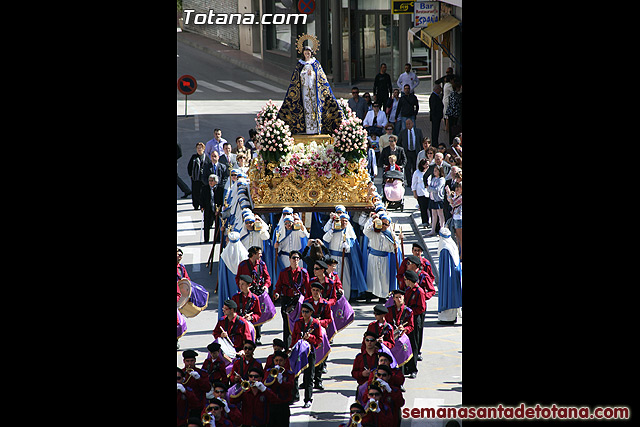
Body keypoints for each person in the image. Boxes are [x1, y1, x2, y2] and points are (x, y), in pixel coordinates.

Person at [278, 43, 344, 135]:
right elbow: (296, 79)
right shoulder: (300, 64)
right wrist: (305, 74)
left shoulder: (316, 64)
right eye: (305, 53)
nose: (307, 55)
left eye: (308, 53)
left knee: (314, 107)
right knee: (306, 108)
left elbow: (321, 78)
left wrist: (312, 74)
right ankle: (307, 128)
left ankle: (316, 127)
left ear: (311, 53)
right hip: (304, 90)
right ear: (303, 54)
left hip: (314, 90)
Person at [322, 212, 367, 301]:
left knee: (345, 279)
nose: (344, 223)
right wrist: (332, 230)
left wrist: (347, 247)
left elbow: (353, 248)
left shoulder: (349, 233)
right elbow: (325, 239)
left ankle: (344, 298)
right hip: (333, 258)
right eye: (342, 221)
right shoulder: (334, 230)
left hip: (344, 259)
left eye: (345, 221)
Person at [290, 302, 323, 408]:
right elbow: (294, 336)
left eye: (306, 312)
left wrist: (310, 338)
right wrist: (291, 348)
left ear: (311, 312)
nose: (304, 314)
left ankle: (308, 399)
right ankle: (295, 395)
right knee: (295, 373)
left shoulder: (316, 324)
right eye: (303, 311)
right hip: (298, 351)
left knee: (309, 376)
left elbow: (319, 340)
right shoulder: (298, 322)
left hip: (310, 352)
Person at [274, 250, 309, 347]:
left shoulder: (303, 273)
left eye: (298, 258)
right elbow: (278, 286)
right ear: (289, 259)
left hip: (298, 302)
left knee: (299, 324)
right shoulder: (284, 272)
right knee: (287, 324)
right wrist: (276, 293)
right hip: (286, 300)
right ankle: (287, 347)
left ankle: (299, 345)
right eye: (294, 258)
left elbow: (307, 288)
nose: (296, 260)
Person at [363, 212, 400, 300]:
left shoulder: (391, 235)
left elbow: (393, 248)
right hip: (373, 257)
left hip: (384, 258)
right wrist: (373, 221)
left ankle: (383, 295)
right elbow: (366, 231)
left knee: (383, 276)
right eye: (382, 223)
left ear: (389, 225)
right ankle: (370, 294)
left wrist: (395, 247)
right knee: (372, 275)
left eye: (386, 224)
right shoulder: (373, 232)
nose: (383, 226)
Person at [386, 289, 417, 377]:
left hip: (405, 335)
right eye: (396, 297)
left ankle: (412, 370)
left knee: (409, 351)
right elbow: (387, 323)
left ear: (403, 298)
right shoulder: (389, 310)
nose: (399, 299)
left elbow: (411, 326)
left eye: (400, 297)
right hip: (393, 335)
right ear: (394, 299)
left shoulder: (408, 311)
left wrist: (404, 329)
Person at [403, 270, 426, 378]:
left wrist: (410, 310)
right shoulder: (408, 290)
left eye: (406, 280)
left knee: (414, 344)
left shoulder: (419, 292)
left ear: (409, 280)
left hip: (415, 319)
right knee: (407, 344)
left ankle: (414, 369)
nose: (405, 282)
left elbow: (421, 308)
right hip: (407, 318)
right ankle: (407, 366)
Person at [437, 228, 462, 324]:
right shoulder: (452, 245)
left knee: (447, 295)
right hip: (453, 276)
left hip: (447, 278)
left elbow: (446, 267)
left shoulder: (444, 248)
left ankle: (446, 319)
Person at [263, 350, 295, 426]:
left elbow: (291, 386)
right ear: (273, 361)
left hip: (283, 404)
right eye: (276, 360)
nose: (278, 363)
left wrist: (281, 382)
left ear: (284, 362)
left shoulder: (289, 374)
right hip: (271, 404)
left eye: (281, 361)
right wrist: (271, 376)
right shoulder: (269, 372)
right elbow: (265, 383)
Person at [181, 349, 211, 417]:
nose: (189, 363)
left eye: (192, 361)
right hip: (184, 406)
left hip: (198, 406)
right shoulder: (180, 373)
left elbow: (207, 388)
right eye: (187, 361)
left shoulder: (201, 373)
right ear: (184, 361)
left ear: (195, 361)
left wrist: (199, 379)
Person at [398, 118, 423, 183]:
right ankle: (409, 182)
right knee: (408, 167)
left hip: (415, 152)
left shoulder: (418, 131)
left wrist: (422, 150)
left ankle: (415, 180)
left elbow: (421, 141)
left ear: (413, 124)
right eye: (407, 124)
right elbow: (399, 142)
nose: (408, 125)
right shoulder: (403, 132)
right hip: (407, 152)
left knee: (415, 167)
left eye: (409, 124)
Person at [426, 165, 446, 237]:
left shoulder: (441, 179)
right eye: (434, 171)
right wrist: (430, 188)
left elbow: (437, 189)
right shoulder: (433, 178)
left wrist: (430, 188)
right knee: (433, 215)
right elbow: (429, 188)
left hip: (438, 199)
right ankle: (433, 230)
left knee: (440, 215)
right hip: (432, 198)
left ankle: (442, 230)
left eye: (436, 171)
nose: (434, 172)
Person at [187, 142, 208, 210]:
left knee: (203, 192)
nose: (199, 149)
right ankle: (196, 205)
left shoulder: (206, 157)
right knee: (195, 192)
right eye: (198, 148)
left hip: (203, 178)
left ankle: (202, 205)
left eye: (200, 148)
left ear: (203, 149)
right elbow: (189, 167)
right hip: (195, 178)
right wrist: (191, 175)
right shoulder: (194, 157)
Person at [445, 182, 462, 260]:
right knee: (457, 238)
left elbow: (453, 203)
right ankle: (458, 253)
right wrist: (448, 193)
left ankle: (461, 255)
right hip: (456, 217)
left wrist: (449, 193)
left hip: (459, 218)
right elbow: (451, 203)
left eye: (459, 188)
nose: (457, 190)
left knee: (460, 238)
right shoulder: (459, 197)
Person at [199, 174, 219, 243]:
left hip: (216, 209)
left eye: (212, 181)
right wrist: (202, 206)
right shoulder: (205, 188)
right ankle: (206, 239)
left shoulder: (219, 189)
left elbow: (221, 200)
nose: (210, 182)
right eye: (209, 181)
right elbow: (201, 198)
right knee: (207, 224)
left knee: (217, 224)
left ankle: (217, 239)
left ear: (215, 181)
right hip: (208, 208)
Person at [412, 158, 430, 226]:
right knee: (423, 208)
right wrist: (414, 193)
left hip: (429, 192)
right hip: (421, 192)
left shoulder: (430, 172)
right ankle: (425, 222)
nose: (427, 166)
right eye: (426, 165)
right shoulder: (417, 173)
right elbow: (414, 183)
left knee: (430, 208)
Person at [446, 79, 462, 146]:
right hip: (454, 115)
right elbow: (457, 105)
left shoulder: (451, 94)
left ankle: (451, 142)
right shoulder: (457, 96)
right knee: (454, 130)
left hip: (450, 114)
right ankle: (454, 142)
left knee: (451, 130)